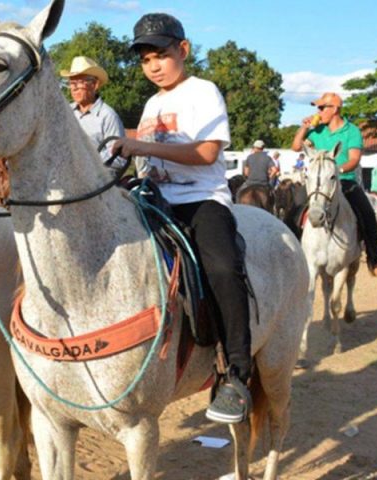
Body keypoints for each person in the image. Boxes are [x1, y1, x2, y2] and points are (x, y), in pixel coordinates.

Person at [111, 12, 252, 425]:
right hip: (155, 199)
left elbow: (207, 154)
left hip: (199, 199)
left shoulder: (202, 92)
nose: (153, 66)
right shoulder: (154, 102)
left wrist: (141, 148)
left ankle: (237, 374)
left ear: (183, 50)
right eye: (145, 60)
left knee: (223, 268)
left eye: (161, 55)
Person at [292, 92, 377, 277]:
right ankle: (291, 255)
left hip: (344, 180)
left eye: (322, 107)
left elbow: (354, 159)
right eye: (317, 108)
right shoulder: (317, 130)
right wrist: (303, 128)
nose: (318, 111)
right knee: (294, 208)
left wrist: (336, 171)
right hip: (317, 183)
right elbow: (296, 147)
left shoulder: (352, 131)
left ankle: (373, 258)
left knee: (367, 214)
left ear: (335, 109)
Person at [60, 56, 125, 160]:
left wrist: (87, 161)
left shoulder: (108, 116)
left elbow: (119, 158)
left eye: (79, 83)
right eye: (72, 83)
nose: (74, 88)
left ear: (94, 85)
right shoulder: (66, 110)